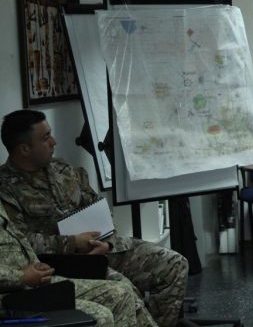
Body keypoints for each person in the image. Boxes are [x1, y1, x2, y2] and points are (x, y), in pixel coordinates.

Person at [0, 109, 189, 327]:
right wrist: (71, 243)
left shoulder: (62, 169)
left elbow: (96, 206)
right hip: (63, 261)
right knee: (125, 290)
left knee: (175, 264)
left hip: (102, 246)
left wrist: (106, 242)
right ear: (24, 149)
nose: (54, 142)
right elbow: (22, 242)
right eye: (45, 138)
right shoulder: (6, 188)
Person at [0, 199, 151, 327]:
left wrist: (36, 263)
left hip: (34, 282)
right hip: (11, 294)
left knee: (122, 292)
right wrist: (20, 276)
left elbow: (17, 238)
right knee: (101, 316)